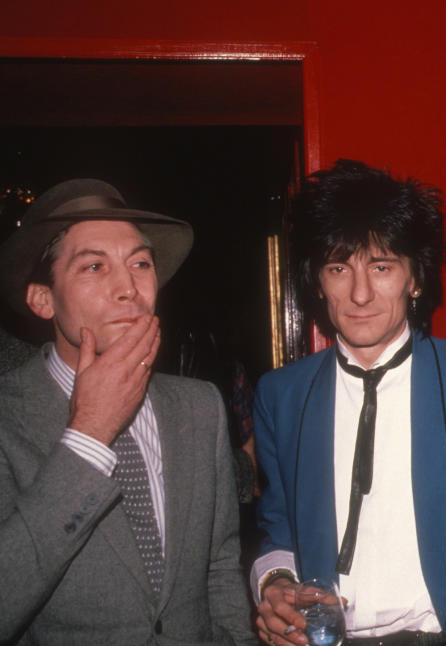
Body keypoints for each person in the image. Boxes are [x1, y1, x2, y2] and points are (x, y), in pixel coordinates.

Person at [251, 159, 446, 646]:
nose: (360, 293)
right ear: (317, 281)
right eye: (339, 268)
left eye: (381, 266)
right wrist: (276, 582)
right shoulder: (280, 394)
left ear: (415, 280)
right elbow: (277, 525)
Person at [0, 179, 255, 645]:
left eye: (140, 263)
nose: (128, 288)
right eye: (94, 266)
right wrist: (89, 434)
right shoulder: (7, 416)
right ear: (43, 299)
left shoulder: (200, 407)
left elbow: (219, 564)